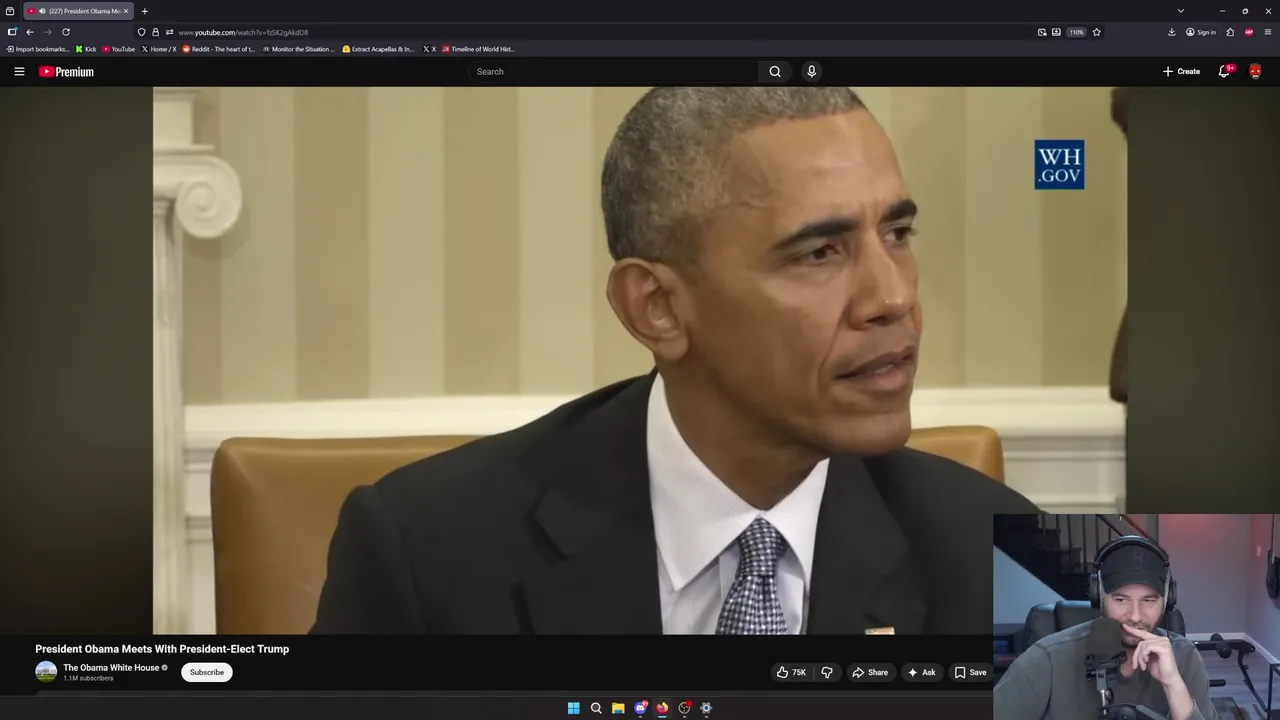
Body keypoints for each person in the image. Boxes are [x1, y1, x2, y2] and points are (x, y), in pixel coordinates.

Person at [312, 87, 1039, 635]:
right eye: (820, 252)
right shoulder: (427, 551)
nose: (893, 297)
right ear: (656, 307)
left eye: (897, 234)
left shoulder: (997, 558)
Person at [994, 536, 1217, 720]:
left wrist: (1172, 685)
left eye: (1149, 600)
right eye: (1121, 599)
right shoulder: (1047, 658)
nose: (1135, 616)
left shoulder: (1184, 656)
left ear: (1167, 601)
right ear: (1099, 598)